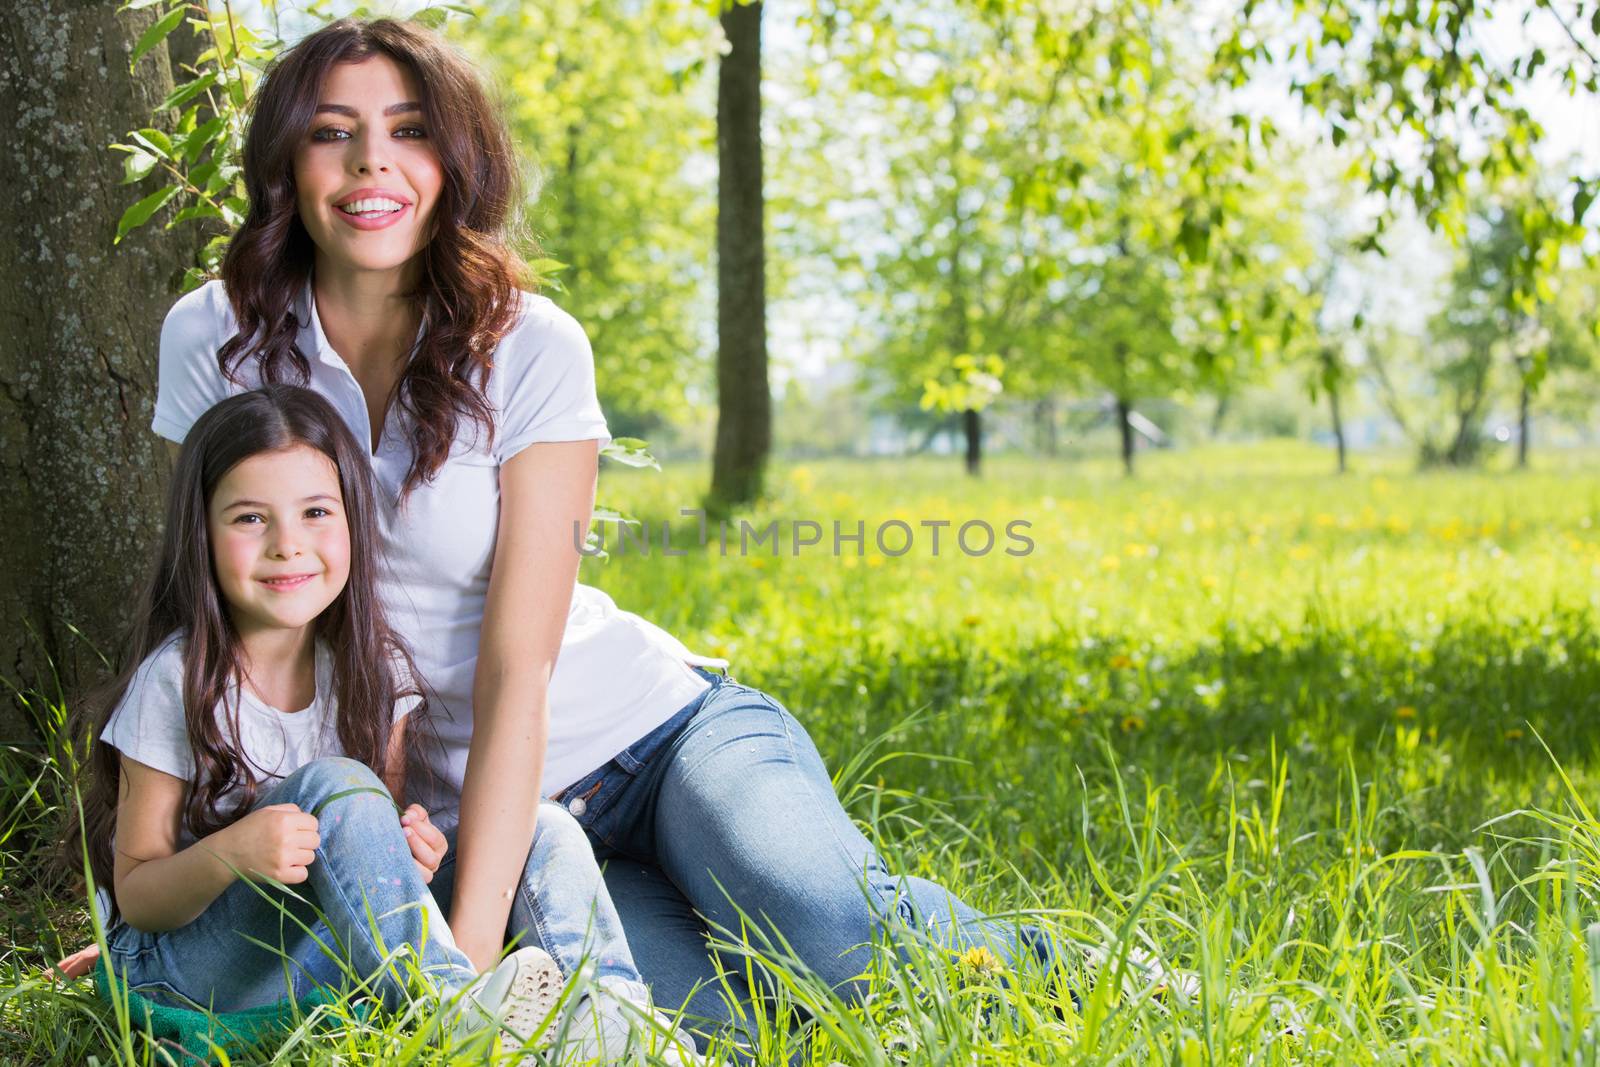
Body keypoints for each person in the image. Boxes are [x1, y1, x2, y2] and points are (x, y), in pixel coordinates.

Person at [148, 15, 1058, 1052]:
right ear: (283, 160)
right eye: (331, 132)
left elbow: (516, 670)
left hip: (655, 740)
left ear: (454, 161)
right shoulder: (213, 335)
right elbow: (214, 620)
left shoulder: (526, 344)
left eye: (408, 130)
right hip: (486, 825)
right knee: (740, 1022)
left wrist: (469, 957)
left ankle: (1055, 965)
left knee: (833, 938)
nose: (372, 165)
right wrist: (180, 895)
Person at [74, 384, 691, 1059]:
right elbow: (137, 894)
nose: (288, 544)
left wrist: (409, 849)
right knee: (336, 783)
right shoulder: (179, 677)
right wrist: (233, 851)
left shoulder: (369, 670)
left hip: (323, 951)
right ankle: (454, 1013)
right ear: (201, 531)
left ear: (352, 522)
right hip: (187, 967)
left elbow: (374, 854)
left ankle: (616, 1024)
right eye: (250, 518)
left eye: (315, 511)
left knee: (540, 827)